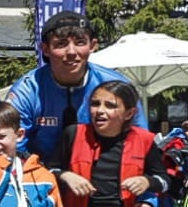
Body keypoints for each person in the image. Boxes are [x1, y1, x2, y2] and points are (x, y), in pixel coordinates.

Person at [10, 11, 146, 162]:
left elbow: (140, 141)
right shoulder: (27, 90)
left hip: (102, 170)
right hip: (39, 171)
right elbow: (11, 146)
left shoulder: (116, 86)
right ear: (45, 49)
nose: (71, 52)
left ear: (92, 46)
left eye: (80, 42)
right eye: (61, 44)